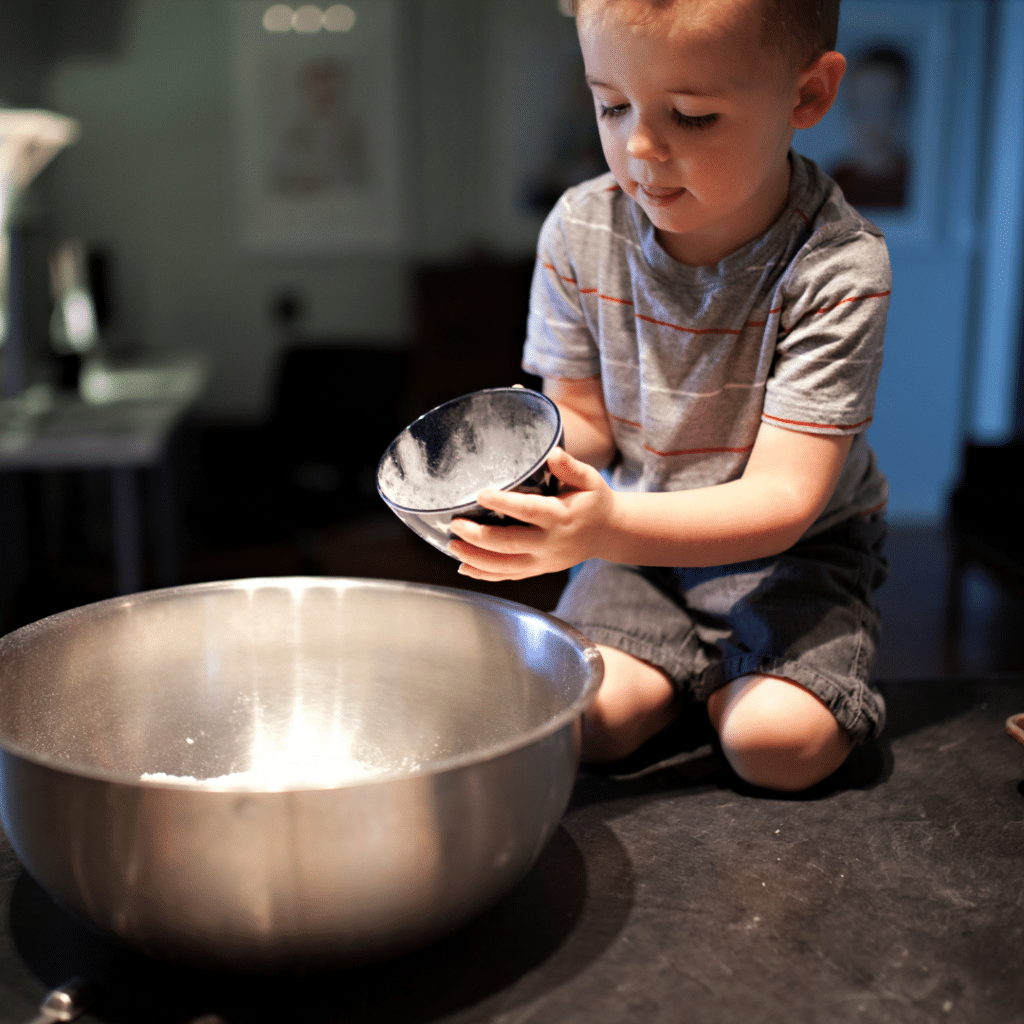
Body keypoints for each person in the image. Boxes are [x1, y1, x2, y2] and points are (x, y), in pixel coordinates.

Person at [449, 0, 891, 793]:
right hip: (642, 547)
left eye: (691, 116)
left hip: (794, 554)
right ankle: (711, 672)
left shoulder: (838, 268)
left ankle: (731, 681)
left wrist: (606, 526)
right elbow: (580, 423)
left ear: (808, 97)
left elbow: (786, 497)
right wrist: (521, 484)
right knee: (583, 723)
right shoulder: (580, 232)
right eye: (612, 105)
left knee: (775, 747)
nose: (640, 148)